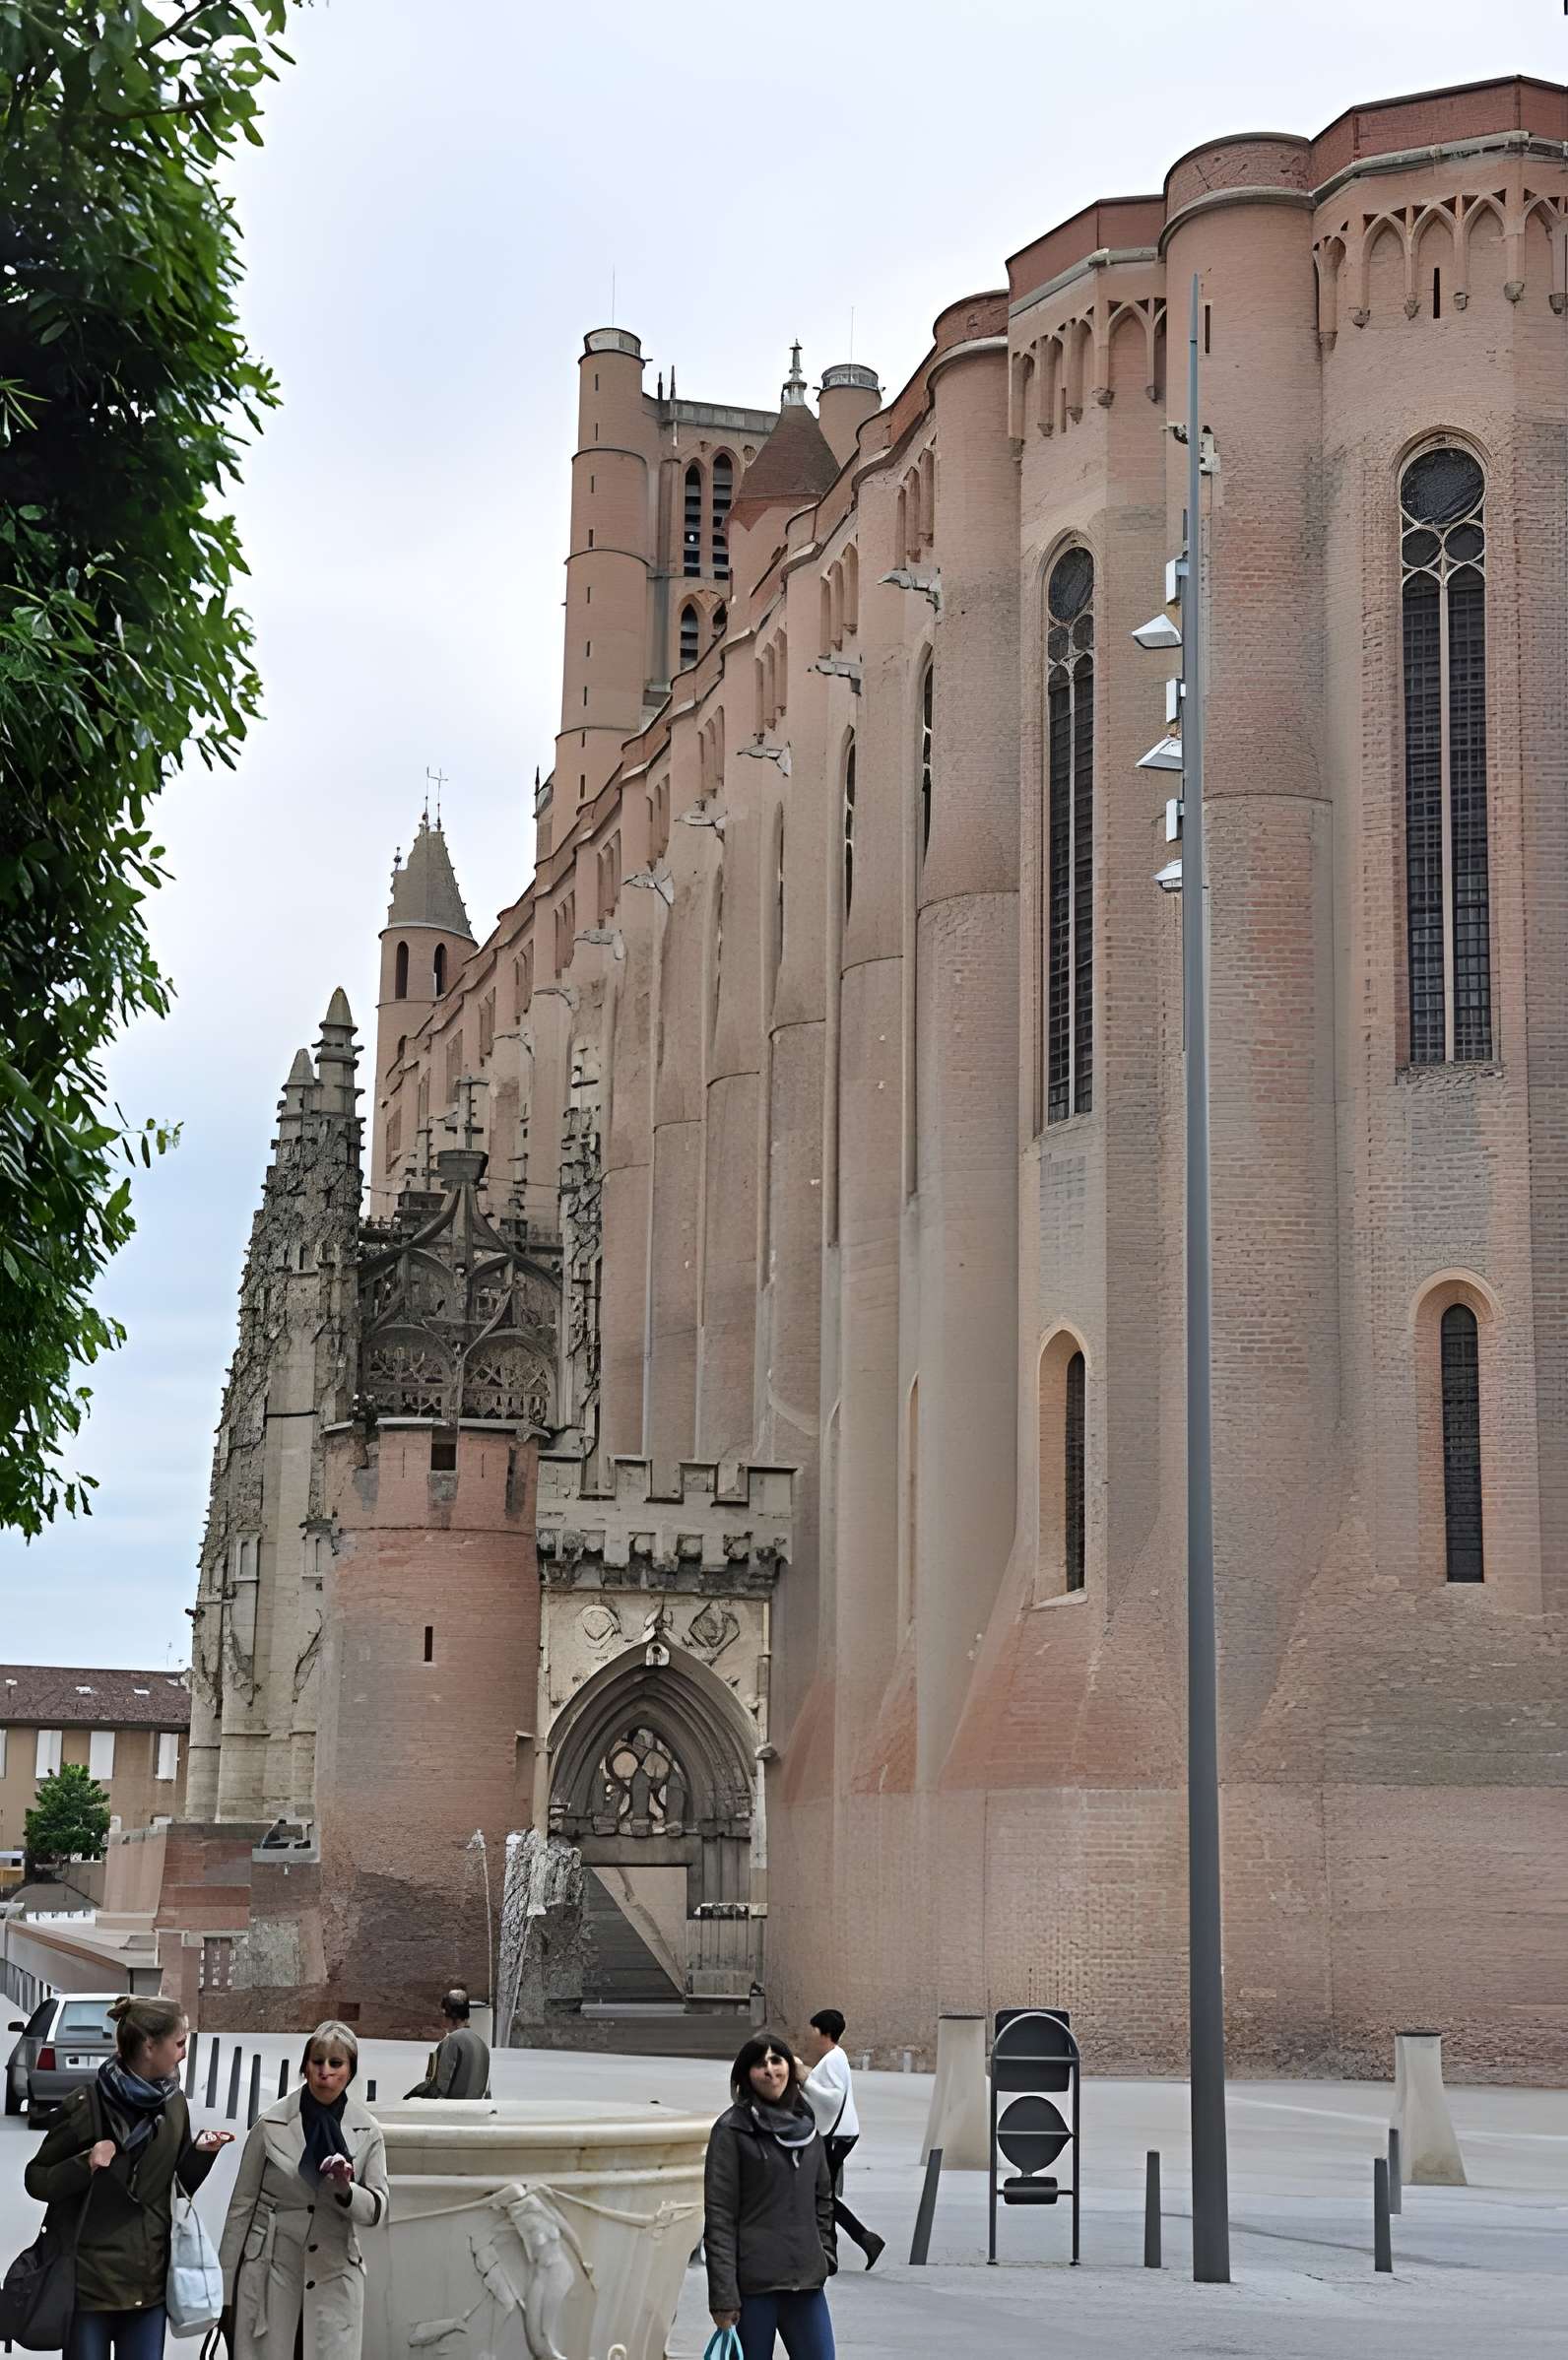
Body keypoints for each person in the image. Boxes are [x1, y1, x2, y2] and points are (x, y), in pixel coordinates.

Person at [24, 1995, 232, 2360]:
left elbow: (176, 2188)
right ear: (150, 2046)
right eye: (179, 2043)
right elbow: (36, 2179)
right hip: (89, 2288)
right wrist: (85, 2162)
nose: (184, 2053)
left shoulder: (174, 2104)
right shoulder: (85, 2105)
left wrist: (202, 2154)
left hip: (147, 2287)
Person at [219, 2020, 389, 2360]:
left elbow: (377, 2209)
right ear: (305, 2066)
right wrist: (223, 2295)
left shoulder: (367, 2131)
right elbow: (241, 2206)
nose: (325, 2071)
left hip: (334, 2273)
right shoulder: (270, 2124)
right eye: (317, 2062)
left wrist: (346, 2189)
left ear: (350, 2071)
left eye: (336, 2063)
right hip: (270, 2271)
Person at [704, 2032, 836, 2360]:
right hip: (753, 2286)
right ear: (745, 2075)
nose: (770, 2071)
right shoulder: (732, 2129)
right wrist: (723, 2297)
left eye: (777, 2061)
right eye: (760, 2064)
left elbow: (823, 2199)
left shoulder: (807, 2129)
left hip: (806, 2282)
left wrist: (825, 2255)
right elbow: (719, 2215)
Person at [799, 2009, 882, 2270]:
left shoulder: (834, 2058)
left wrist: (804, 2080)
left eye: (813, 2029)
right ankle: (835, 2251)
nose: (809, 2034)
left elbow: (833, 2097)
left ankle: (859, 2240)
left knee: (822, 2196)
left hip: (836, 2136)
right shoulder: (834, 2058)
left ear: (823, 2032)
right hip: (837, 2134)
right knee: (823, 2194)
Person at [403, 1989, 490, 2101]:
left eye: (443, 2014)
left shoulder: (452, 2041)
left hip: (451, 2112)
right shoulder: (481, 2044)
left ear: (451, 2016)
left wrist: (413, 2094)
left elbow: (440, 2087)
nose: (442, 2020)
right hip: (475, 2111)